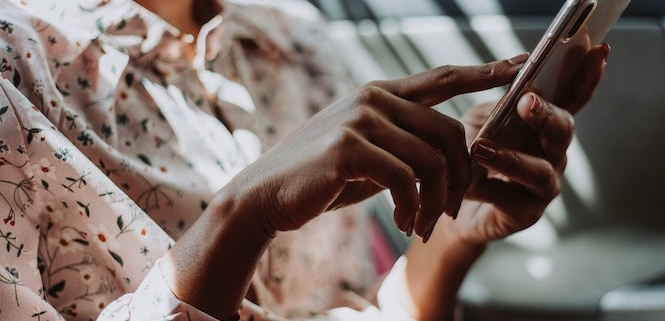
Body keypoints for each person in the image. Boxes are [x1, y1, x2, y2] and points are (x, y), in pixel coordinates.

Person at [0, 0, 609, 320]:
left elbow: (358, 309)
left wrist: (450, 236)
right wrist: (242, 216)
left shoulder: (295, 41)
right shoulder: (18, 71)